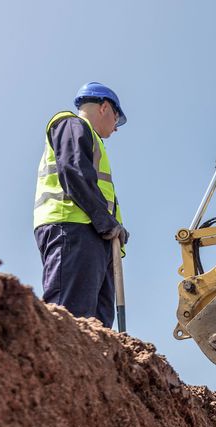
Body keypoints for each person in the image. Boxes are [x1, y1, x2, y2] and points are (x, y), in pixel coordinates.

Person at [33, 82, 130, 327]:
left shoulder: (94, 141)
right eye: (117, 120)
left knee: (97, 325)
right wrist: (106, 222)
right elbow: (74, 173)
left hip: (96, 234)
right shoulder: (71, 124)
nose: (116, 129)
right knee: (70, 316)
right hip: (73, 227)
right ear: (105, 107)